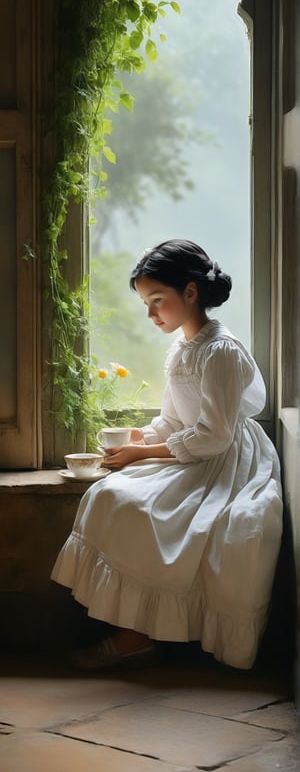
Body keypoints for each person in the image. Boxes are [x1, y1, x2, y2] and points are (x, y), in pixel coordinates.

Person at [51, 239, 283, 671]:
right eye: (145, 303)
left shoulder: (221, 352)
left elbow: (213, 435)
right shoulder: (181, 349)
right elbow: (174, 420)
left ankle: (135, 638)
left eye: (158, 301)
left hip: (226, 461)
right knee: (110, 494)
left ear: (191, 293)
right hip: (193, 452)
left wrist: (143, 454)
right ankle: (136, 633)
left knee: (142, 507)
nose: (151, 314)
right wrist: (140, 438)